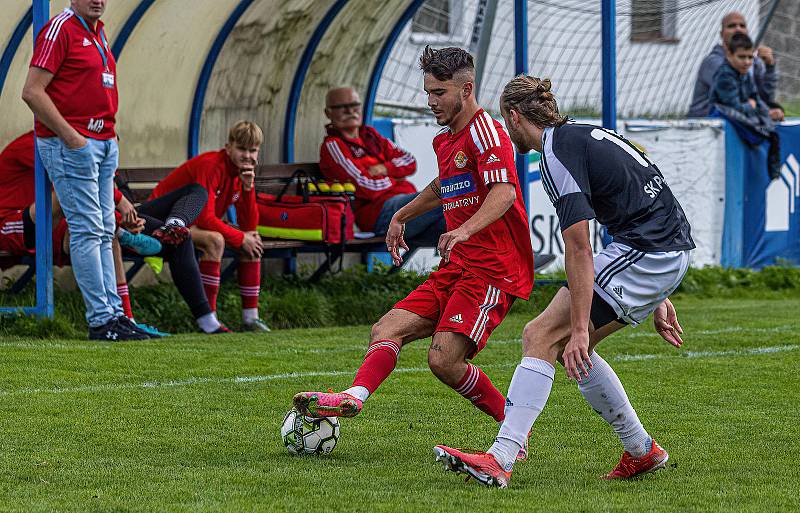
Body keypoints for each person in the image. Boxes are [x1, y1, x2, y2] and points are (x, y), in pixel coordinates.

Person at [433, 76, 695, 488]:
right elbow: (636, 201)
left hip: (650, 253)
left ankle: (500, 458)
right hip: (659, 251)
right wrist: (659, 289)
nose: (505, 130)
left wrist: (577, 327)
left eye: (505, 121)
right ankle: (642, 451)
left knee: (542, 335)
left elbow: (579, 249)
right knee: (568, 348)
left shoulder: (555, 154)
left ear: (515, 117)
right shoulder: (584, 133)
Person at [294, 47, 535, 455]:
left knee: (443, 360)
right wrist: (401, 215)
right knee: (386, 329)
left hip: (492, 271)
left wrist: (464, 230)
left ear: (467, 88)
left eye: (439, 92)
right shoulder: (446, 139)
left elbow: (505, 193)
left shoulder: (486, 132)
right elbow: (444, 186)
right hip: (457, 267)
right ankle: (353, 397)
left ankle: (513, 430)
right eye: (427, 92)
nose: (431, 101)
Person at [20, 0, 145, 340]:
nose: (98, 0)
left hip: (103, 142)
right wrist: (72, 137)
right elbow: (31, 92)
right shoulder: (62, 28)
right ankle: (101, 321)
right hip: (73, 145)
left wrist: (107, 135)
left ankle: (115, 316)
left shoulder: (99, 32)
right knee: (88, 229)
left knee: (105, 229)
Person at [150, 121, 268, 332]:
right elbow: (204, 218)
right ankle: (209, 319)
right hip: (163, 222)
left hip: (192, 224)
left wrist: (248, 189)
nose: (248, 156)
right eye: (242, 149)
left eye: (253, 150)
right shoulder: (212, 165)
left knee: (253, 238)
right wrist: (241, 238)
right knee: (216, 240)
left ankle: (251, 318)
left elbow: (249, 225)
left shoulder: (241, 173)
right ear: (228, 146)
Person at [320, 86, 446, 246]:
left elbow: (409, 161)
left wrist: (385, 169)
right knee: (447, 195)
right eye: (341, 107)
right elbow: (365, 186)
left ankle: (467, 268)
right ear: (328, 113)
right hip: (381, 215)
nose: (349, 111)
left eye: (354, 105)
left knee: (461, 208)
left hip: (404, 207)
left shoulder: (370, 136)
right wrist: (395, 180)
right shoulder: (334, 145)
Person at [688, 11, 783, 121]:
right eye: (731, 26)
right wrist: (764, 113)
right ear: (721, 34)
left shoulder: (755, 62)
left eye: (742, 25)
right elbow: (735, 103)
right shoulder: (713, 62)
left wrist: (770, 67)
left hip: (738, 119)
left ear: (747, 31)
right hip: (705, 125)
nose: (738, 29)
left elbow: (765, 98)